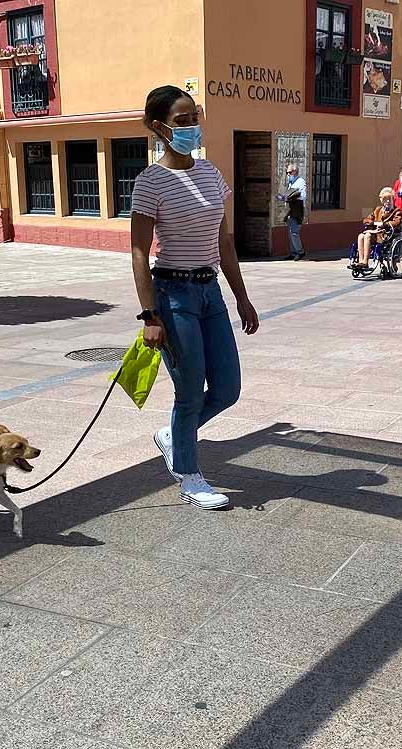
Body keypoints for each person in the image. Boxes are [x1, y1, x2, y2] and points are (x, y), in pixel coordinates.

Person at [130, 85, 260, 511]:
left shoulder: (211, 173)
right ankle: (189, 475)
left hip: (210, 292)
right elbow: (138, 252)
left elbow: (224, 243)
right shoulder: (151, 182)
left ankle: (173, 437)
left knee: (227, 388)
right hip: (173, 294)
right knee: (189, 392)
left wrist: (242, 297)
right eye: (182, 120)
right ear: (158, 127)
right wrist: (150, 315)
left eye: (194, 118)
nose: (192, 127)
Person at [353, 187, 402, 272]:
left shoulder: (397, 211)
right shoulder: (378, 210)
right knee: (361, 236)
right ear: (382, 200)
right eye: (385, 199)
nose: (387, 201)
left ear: (393, 199)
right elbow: (367, 219)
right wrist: (371, 223)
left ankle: (365, 262)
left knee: (368, 235)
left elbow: (396, 222)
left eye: (389, 199)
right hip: (376, 234)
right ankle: (361, 261)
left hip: (386, 235)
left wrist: (385, 224)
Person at [277, 163, 307, 260]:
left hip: (297, 210)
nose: (288, 174)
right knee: (290, 232)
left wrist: (293, 196)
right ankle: (293, 252)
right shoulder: (290, 183)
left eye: (290, 172)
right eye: (287, 173)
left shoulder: (300, 182)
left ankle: (300, 251)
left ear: (295, 172)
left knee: (294, 232)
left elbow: (303, 195)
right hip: (289, 210)